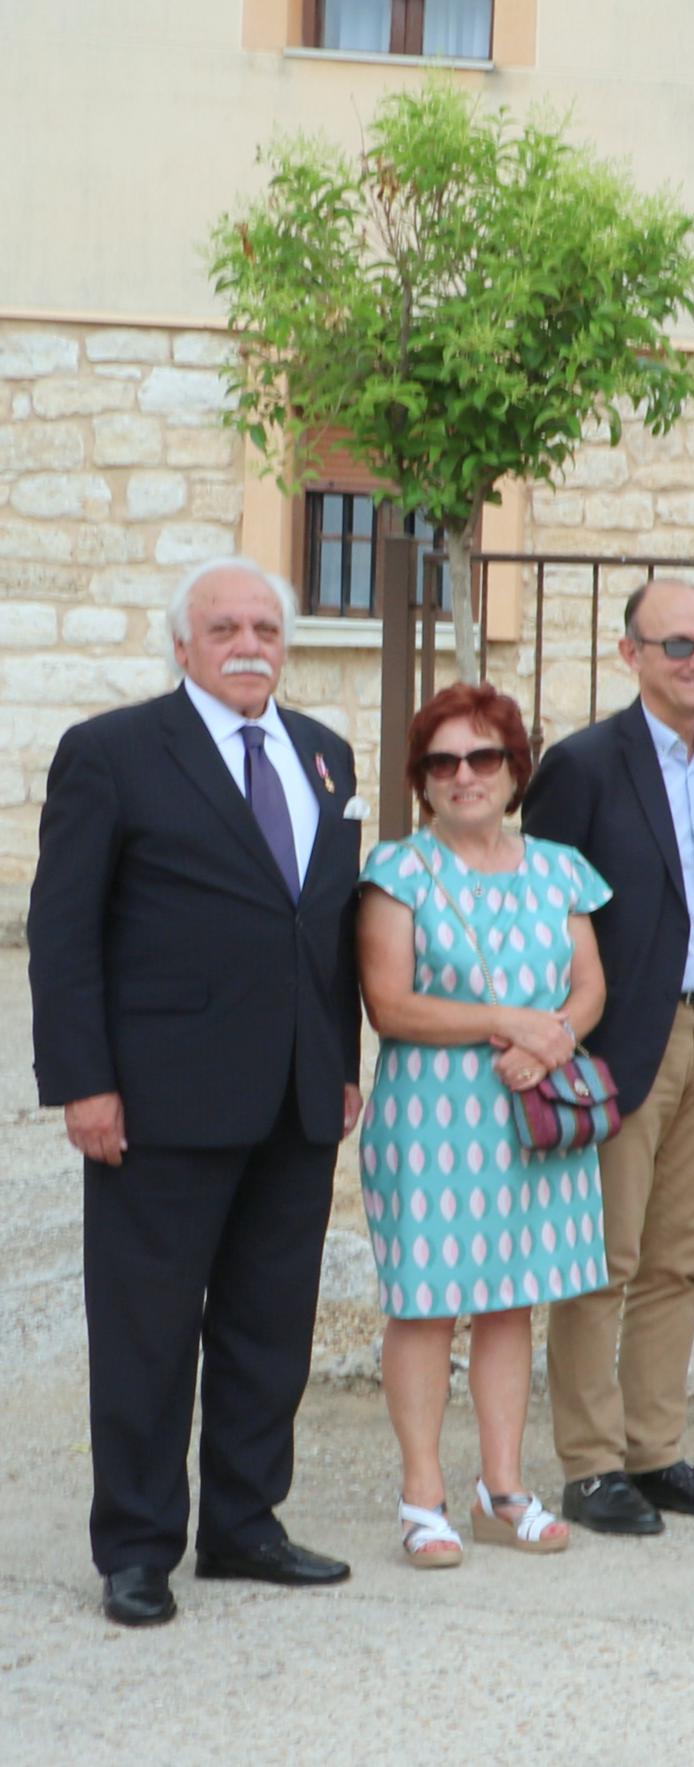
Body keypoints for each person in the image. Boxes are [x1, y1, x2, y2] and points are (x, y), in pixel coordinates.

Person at [30, 557, 365, 1627]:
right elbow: (64, 933)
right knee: (148, 1331)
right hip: (160, 1101)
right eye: (223, 626)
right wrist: (84, 1083)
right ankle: (136, 1548)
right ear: (182, 644)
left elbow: (327, 923)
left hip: (296, 1095)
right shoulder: (114, 753)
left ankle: (243, 1523)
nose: (248, 642)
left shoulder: (322, 755)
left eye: (265, 625)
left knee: (271, 1324)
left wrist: (342, 1060)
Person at [354, 684, 614, 1566]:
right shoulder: (396, 871)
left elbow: (589, 984)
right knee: (426, 1305)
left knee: (512, 1301)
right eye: (443, 762)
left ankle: (503, 1484)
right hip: (433, 1114)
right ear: (423, 780)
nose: (464, 775)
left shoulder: (560, 868)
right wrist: (511, 1023)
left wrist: (553, 1040)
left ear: (514, 769)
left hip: (532, 1108)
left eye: (483, 757)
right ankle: (422, 1493)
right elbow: (389, 1003)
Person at [525, 578, 694, 1537]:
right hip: (626, 1037)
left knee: (680, 1256)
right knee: (604, 1256)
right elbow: (546, 908)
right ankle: (590, 1464)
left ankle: (654, 1449)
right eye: (677, 646)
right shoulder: (583, 765)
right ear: (630, 655)